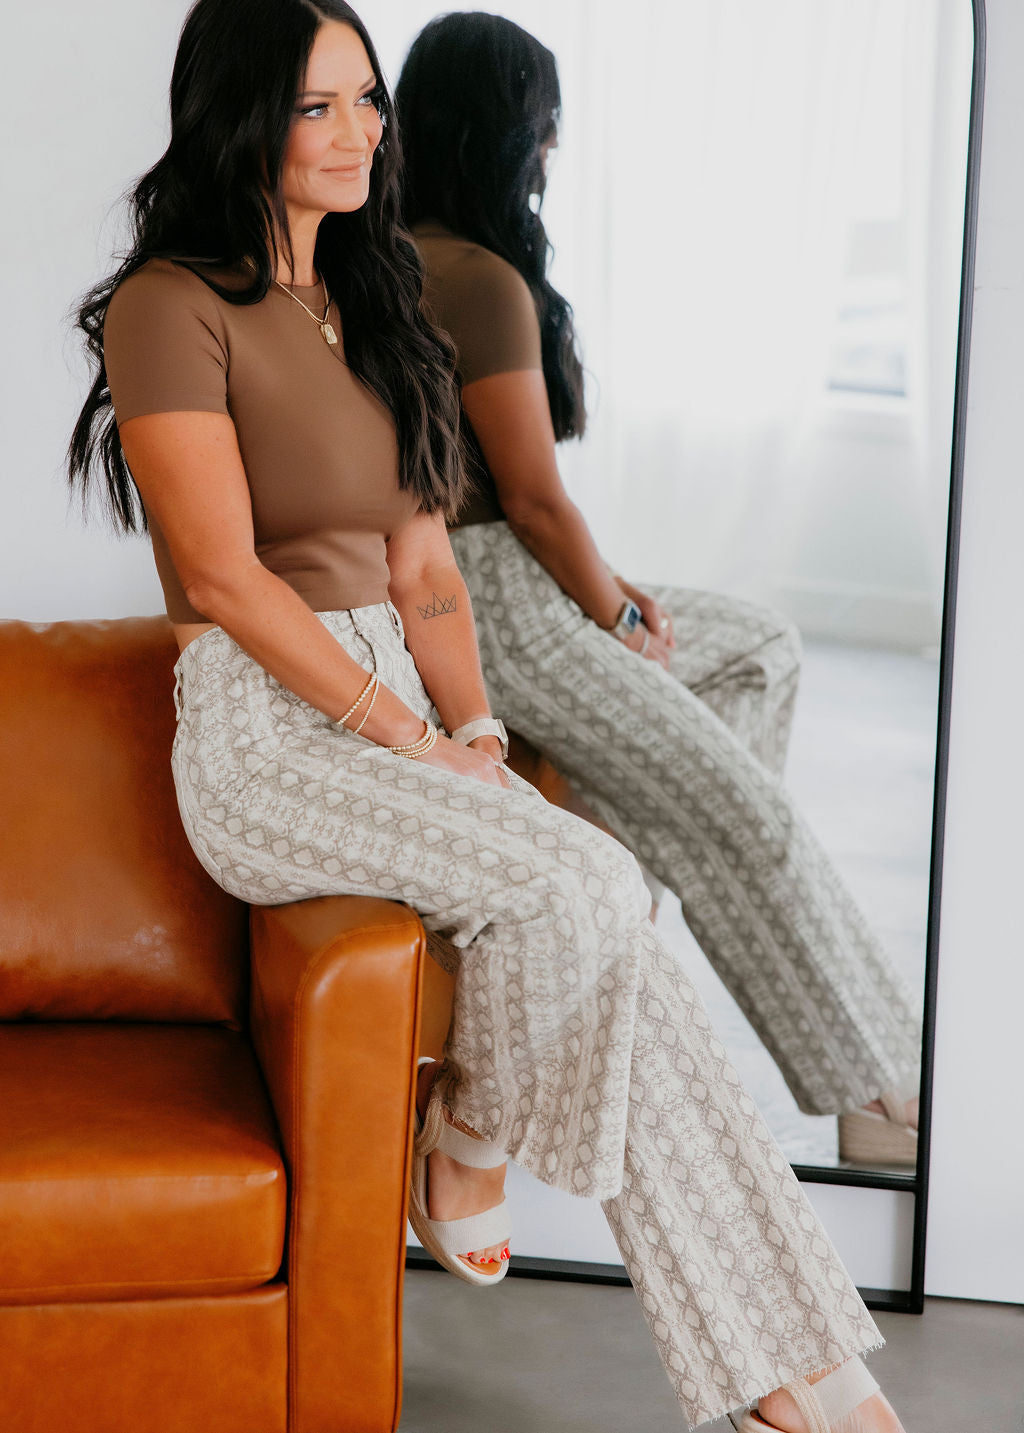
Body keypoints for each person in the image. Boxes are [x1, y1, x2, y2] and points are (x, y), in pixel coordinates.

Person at [68, 1, 907, 1427]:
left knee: (622, 944)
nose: (358, 132)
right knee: (592, 879)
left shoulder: (379, 293)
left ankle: (805, 1375)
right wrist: (408, 739)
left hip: (399, 702)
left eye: (369, 99)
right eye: (317, 106)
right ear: (241, 117)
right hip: (264, 736)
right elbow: (222, 576)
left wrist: (472, 733)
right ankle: (463, 1132)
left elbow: (426, 569)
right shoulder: (173, 305)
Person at [396, 11, 921, 1171]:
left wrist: (614, 588)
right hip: (501, 606)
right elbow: (534, 502)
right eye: (544, 124)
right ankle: (879, 1092)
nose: (554, 147)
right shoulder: (479, 278)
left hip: (485, 580)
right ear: (502, 132)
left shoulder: (393, 254)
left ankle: (636, 872)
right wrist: (615, 613)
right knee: (750, 819)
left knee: (756, 644)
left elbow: (508, 498)